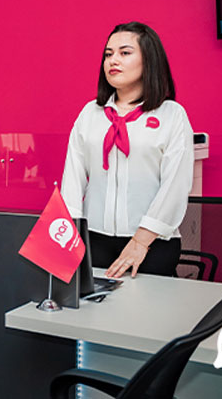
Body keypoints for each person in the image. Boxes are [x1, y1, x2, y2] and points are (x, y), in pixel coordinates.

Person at [61, 22, 193, 279]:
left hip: (152, 243)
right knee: (91, 305)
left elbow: (175, 185)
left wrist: (141, 241)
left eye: (125, 52)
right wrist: (71, 232)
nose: (113, 60)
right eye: (108, 54)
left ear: (149, 60)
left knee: (147, 305)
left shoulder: (171, 115)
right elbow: (73, 179)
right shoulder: (90, 113)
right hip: (93, 239)